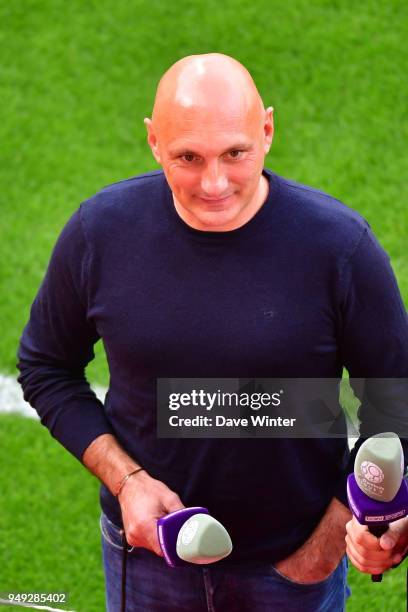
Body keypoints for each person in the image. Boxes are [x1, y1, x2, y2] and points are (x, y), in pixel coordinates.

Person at [17, 53, 408, 611]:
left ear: (267, 131)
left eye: (235, 152)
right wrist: (127, 481)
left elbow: (397, 404)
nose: (214, 182)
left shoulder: (340, 249)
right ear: (154, 142)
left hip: (292, 572)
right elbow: (47, 367)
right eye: (188, 157)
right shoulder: (99, 233)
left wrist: (321, 552)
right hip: (148, 560)